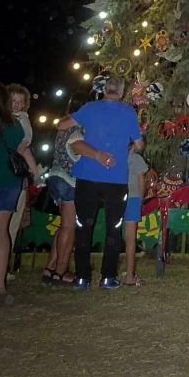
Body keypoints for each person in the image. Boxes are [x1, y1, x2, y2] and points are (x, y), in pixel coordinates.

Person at [62, 74, 143, 290]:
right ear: (123, 91)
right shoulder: (128, 112)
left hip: (88, 176)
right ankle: (108, 277)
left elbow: (63, 125)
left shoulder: (89, 108)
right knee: (113, 228)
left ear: (103, 89)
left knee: (83, 227)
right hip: (115, 178)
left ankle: (82, 277)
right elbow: (139, 143)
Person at [42, 91, 89, 285]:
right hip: (69, 180)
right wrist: (97, 155)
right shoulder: (78, 126)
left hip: (55, 176)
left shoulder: (64, 124)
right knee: (69, 226)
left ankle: (50, 267)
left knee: (63, 225)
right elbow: (76, 145)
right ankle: (61, 270)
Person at [7, 84, 44, 262]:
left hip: (17, 171)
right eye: (13, 100)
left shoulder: (23, 117)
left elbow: (28, 136)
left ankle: (4, 263)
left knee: (12, 224)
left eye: (19, 102)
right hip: (9, 176)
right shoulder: (4, 119)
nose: (16, 104)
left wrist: (24, 142)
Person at [0, 83, 25, 306]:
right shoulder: (14, 126)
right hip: (9, 182)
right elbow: (22, 149)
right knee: (2, 231)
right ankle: (0, 287)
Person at [124, 145, 148, 286]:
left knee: (112, 236)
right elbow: (141, 180)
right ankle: (130, 275)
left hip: (116, 198)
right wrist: (141, 199)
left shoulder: (117, 157)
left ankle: (108, 274)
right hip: (132, 198)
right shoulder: (137, 158)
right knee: (130, 238)